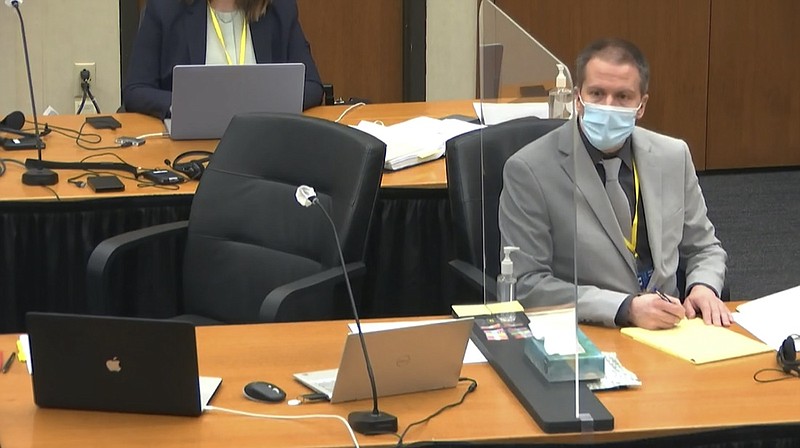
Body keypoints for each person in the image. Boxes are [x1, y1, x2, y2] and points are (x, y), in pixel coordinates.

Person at [498, 38, 730, 330]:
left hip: (671, 331)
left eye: (622, 96)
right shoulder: (529, 170)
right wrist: (624, 308)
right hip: (590, 330)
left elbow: (704, 248)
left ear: (641, 105)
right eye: (597, 93)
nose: (608, 106)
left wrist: (703, 287)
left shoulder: (673, 156)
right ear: (577, 98)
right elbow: (527, 284)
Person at [123, 0, 324, 119]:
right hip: (191, 143)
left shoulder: (278, 8)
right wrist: (187, 105)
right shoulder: (166, 8)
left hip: (263, 137)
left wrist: (266, 104)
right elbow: (136, 91)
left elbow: (313, 86)